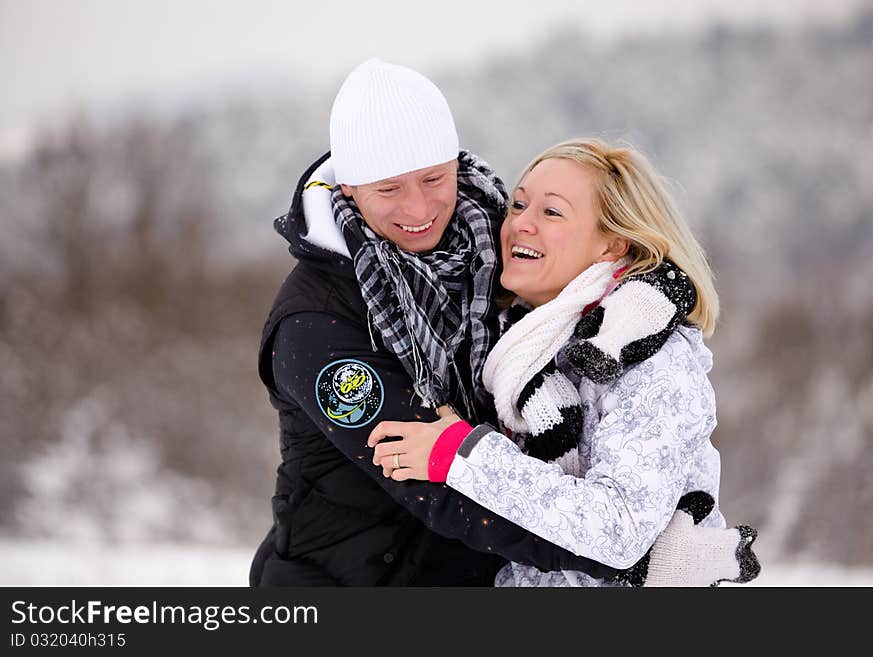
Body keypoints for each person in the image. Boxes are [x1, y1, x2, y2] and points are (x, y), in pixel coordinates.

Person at [250, 59, 757, 586]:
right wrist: (635, 558)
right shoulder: (318, 322)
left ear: (457, 163)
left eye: (432, 178)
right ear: (349, 188)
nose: (419, 206)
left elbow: (617, 255)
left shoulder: (501, 261)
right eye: (389, 189)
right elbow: (427, 477)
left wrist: (655, 291)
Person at [367, 137, 760, 586]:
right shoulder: (521, 354)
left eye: (551, 212)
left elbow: (620, 530)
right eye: (517, 206)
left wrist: (461, 455)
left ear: (611, 245)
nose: (521, 225)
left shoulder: (649, 358)